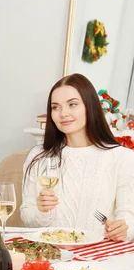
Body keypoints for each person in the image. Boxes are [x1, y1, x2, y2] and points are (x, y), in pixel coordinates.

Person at [21, 73, 134, 241]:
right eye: (55, 107)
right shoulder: (38, 156)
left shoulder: (122, 158)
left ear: (90, 107)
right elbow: (26, 214)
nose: (63, 113)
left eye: (72, 104)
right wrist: (41, 210)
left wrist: (124, 228)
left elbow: (129, 216)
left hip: (97, 258)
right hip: (50, 253)